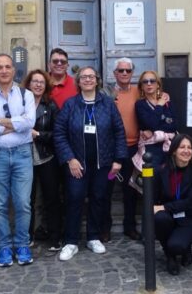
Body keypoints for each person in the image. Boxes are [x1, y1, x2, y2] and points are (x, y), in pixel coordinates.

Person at [54, 66, 127, 261]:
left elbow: (119, 131)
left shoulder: (108, 104)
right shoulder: (70, 105)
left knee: (99, 198)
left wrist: (118, 160)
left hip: (103, 164)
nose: (87, 79)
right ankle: (71, 241)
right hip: (77, 164)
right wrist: (70, 159)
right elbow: (59, 133)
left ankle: (93, 237)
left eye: (91, 77)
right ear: (78, 82)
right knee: (74, 199)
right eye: (83, 77)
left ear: (97, 81)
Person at [0, 54, 36, 267]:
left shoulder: (25, 94)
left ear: (13, 70)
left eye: (7, 67)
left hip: (22, 154)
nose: (3, 71)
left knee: (23, 203)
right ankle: (3, 247)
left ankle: (21, 245)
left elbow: (30, 122)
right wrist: (14, 125)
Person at [153, 134, 192, 276]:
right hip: (169, 218)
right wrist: (158, 210)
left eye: (189, 148)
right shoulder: (161, 171)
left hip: (189, 218)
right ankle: (170, 257)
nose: (186, 150)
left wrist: (165, 207)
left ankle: (185, 248)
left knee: (177, 245)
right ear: (174, 151)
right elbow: (153, 198)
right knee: (159, 218)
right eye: (182, 147)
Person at [22, 69, 63, 251]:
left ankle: (55, 237)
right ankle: (27, 235)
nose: (38, 84)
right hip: (24, 158)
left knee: (51, 198)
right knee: (26, 199)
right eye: (34, 81)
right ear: (28, 84)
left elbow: (57, 133)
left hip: (47, 156)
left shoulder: (51, 106)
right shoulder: (20, 104)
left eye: (41, 82)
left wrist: (38, 134)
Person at [103, 57, 143, 242]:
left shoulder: (139, 91)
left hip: (133, 150)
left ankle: (130, 227)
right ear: (115, 73)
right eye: (121, 71)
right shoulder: (107, 94)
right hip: (112, 152)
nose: (124, 73)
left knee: (130, 190)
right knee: (107, 187)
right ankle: (105, 228)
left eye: (128, 70)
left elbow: (156, 96)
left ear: (132, 73)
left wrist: (163, 96)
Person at [135, 70, 177, 169]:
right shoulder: (140, 104)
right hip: (150, 150)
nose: (149, 84)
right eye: (145, 82)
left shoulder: (168, 103)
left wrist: (152, 131)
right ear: (141, 86)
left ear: (158, 84)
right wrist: (159, 105)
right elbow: (151, 123)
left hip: (168, 147)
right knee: (149, 178)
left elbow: (174, 126)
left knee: (167, 179)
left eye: (152, 81)